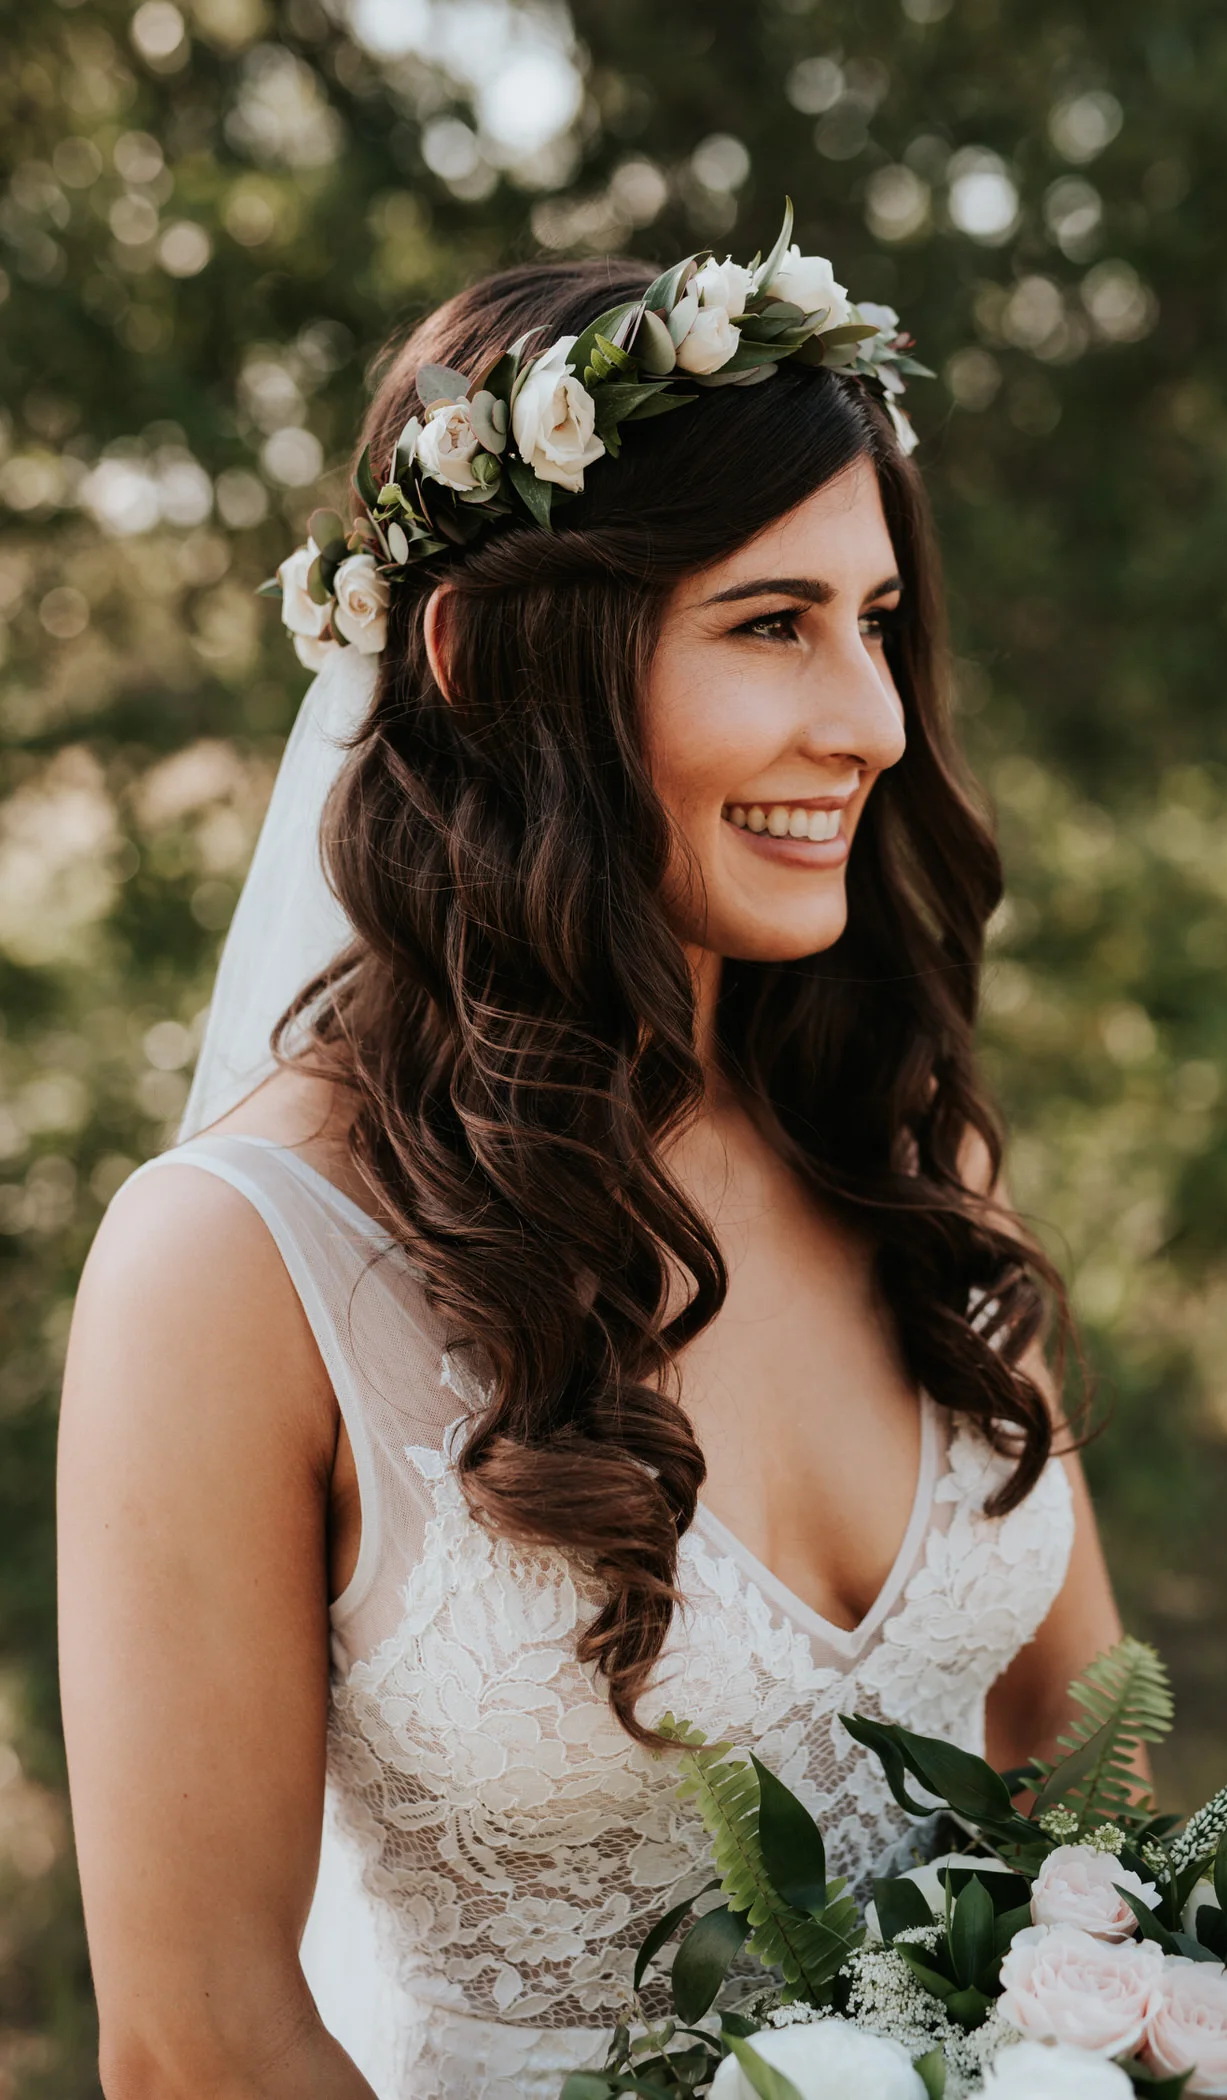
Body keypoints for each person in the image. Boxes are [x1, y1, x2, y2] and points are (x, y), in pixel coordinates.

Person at [56, 222, 1127, 2100]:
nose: (871, 723)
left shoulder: (897, 1139)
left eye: (874, 625)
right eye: (769, 623)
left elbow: (1083, 1754)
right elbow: (197, 2042)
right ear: (479, 661)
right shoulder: (236, 1268)